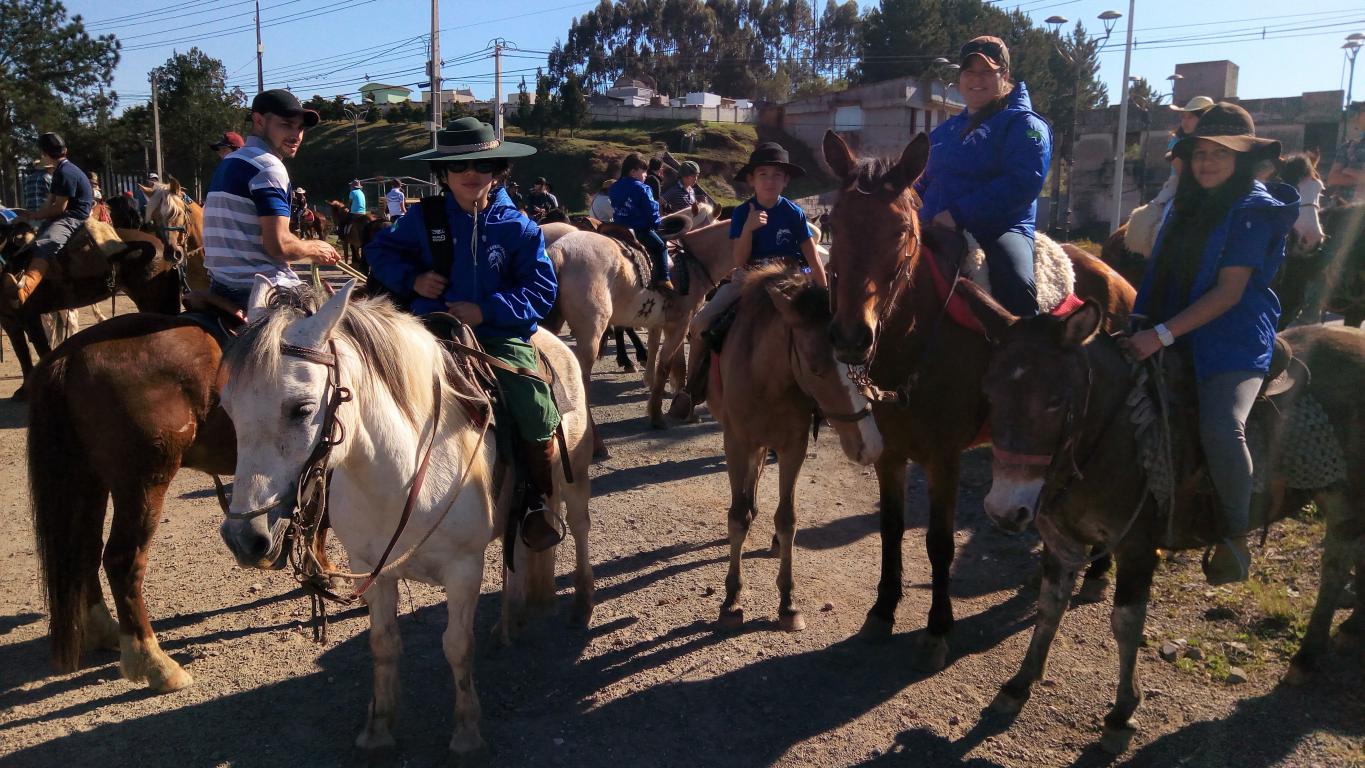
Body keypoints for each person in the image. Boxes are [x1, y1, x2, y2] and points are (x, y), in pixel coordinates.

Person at [363, 116, 562, 551]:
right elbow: (378, 251)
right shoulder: (423, 218)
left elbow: (541, 289)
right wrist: (413, 280)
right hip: (427, 331)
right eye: (458, 166)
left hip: (497, 335)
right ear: (443, 173)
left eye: (482, 165)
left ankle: (535, 499)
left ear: (498, 171)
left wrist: (485, 309)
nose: (470, 173)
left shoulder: (520, 227)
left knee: (532, 405)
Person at [1121, 102, 1298, 585]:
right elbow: (1160, 275)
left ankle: (1235, 539)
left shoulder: (1255, 209)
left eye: (1221, 152)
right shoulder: (1184, 205)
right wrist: (1138, 324)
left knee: (1222, 426)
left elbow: (1229, 293)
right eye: (1200, 152)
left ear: (1243, 157)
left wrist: (1160, 335)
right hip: (1166, 325)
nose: (1207, 162)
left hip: (1231, 337)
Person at [669, 141, 824, 417]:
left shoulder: (794, 213)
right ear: (752, 179)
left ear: (786, 180)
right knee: (700, 323)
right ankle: (692, 389)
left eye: (777, 175)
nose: (770, 181)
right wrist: (749, 229)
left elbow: (812, 257)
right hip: (747, 280)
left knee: (823, 327)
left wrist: (823, 293)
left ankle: (827, 395)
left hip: (789, 281)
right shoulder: (742, 213)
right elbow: (740, 260)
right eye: (763, 174)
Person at [914, 35, 1052, 318]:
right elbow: (923, 182)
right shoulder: (944, 132)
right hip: (933, 227)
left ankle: (1028, 341)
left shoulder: (1025, 124)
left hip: (1000, 228)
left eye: (986, 71)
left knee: (1014, 281)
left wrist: (957, 214)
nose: (976, 79)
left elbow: (1023, 183)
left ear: (1005, 76)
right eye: (969, 71)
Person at [201, 89, 339, 310]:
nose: (296, 135)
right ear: (259, 121)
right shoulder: (268, 167)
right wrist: (315, 248)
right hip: (263, 290)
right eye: (286, 125)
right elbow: (278, 245)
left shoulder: (229, 161)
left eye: (300, 128)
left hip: (221, 286)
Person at [2, 133, 93, 309]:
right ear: (65, 150)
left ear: (44, 154)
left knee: (45, 244)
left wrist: (35, 216)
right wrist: (30, 215)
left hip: (74, 217)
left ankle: (24, 290)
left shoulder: (65, 172)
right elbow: (49, 201)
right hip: (65, 215)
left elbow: (59, 208)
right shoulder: (60, 170)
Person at [610, 153, 671, 291]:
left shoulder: (614, 187)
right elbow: (652, 211)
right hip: (639, 230)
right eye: (643, 171)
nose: (645, 175)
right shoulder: (643, 188)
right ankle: (664, 278)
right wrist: (657, 224)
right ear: (633, 171)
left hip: (619, 228)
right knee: (661, 246)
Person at [1151, 96, 1215, 206]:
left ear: (1204, 118)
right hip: (1179, 182)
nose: (1185, 121)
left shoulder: (1214, 140)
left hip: (1209, 182)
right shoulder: (1177, 140)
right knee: (1159, 204)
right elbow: (1179, 169)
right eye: (1183, 117)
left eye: (1190, 117)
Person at [1327, 102, 1365, 203]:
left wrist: (1348, 171)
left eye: (1361, 112)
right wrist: (1361, 177)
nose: (1356, 117)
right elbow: (1332, 179)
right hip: (1343, 208)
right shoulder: (1347, 146)